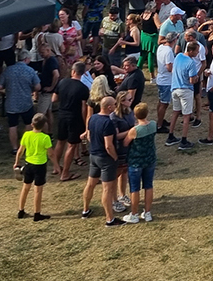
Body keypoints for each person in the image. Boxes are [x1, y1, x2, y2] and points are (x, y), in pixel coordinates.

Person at [81, 95, 124, 225]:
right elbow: (108, 145)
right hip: (106, 158)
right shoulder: (108, 123)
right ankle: (109, 219)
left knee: (90, 184)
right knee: (107, 189)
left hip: (94, 155)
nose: (116, 106)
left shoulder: (92, 118)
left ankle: (85, 209)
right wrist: (115, 157)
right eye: (115, 104)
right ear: (109, 107)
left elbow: (88, 135)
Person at [0, 49, 41, 151]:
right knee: (28, 124)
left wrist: (7, 90)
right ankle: (25, 146)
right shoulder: (30, 70)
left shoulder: (8, 70)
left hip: (11, 103)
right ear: (26, 59)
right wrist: (31, 90)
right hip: (25, 102)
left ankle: (14, 148)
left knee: (12, 126)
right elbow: (38, 87)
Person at [52, 61, 89, 181]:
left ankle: (56, 167)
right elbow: (84, 108)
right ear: (83, 74)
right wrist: (85, 123)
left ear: (73, 71)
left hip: (62, 114)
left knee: (60, 141)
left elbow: (54, 99)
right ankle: (65, 173)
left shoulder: (62, 82)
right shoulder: (83, 88)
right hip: (75, 117)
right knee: (72, 145)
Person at [13, 112, 54, 221]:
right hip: (40, 165)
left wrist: (16, 162)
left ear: (32, 124)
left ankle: (21, 211)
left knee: (25, 188)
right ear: (44, 125)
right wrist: (56, 165)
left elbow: (20, 150)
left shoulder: (26, 135)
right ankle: (37, 213)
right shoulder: (45, 138)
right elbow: (50, 153)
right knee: (38, 190)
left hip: (28, 164)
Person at [122, 101, 157, 223]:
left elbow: (125, 143)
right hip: (150, 159)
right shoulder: (153, 125)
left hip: (136, 162)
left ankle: (134, 214)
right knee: (148, 186)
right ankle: (147, 212)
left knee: (134, 188)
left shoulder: (134, 130)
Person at [167, 37, 202, 150]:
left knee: (175, 112)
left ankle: (170, 136)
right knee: (187, 116)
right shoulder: (191, 63)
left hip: (175, 88)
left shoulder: (178, 56)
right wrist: (196, 78)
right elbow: (192, 80)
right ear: (191, 51)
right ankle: (184, 140)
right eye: (196, 51)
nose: (197, 53)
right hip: (185, 90)